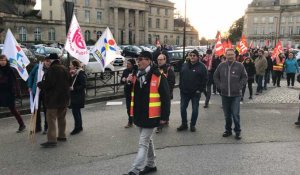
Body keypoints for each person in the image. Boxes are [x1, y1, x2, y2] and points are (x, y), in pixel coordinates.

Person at [124, 51, 170, 175]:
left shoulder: (158, 76)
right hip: (139, 114)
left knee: (143, 142)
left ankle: (135, 169)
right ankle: (151, 164)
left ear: (149, 61)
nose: (140, 61)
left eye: (143, 59)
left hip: (151, 116)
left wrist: (164, 117)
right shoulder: (136, 75)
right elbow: (129, 94)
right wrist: (128, 82)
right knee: (147, 140)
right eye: (139, 59)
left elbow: (166, 98)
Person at [38, 53, 71, 148]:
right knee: (62, 118)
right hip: (64, 98)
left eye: (49, 60)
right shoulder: (64, 68)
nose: (48, 61)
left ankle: (52, 140)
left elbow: (48, 84)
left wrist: (40, 84)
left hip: (53, 99)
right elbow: (70, 81)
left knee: (51, 119)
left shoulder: (52, 70)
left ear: (52, 60)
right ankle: (62, 136)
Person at [214, 48, 248, 140]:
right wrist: (220, 86)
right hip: (224, 95)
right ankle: (228, 130)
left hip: (236, 95)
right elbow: (215, 76)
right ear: (225, 55)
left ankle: (237, 131)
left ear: (235, 55)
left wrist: (239, 86)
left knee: (235, 114)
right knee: (227, 115)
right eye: (228, 54)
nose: (230, 56)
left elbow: (244, 77)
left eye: (231, 54)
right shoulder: (221, 65)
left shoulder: (240, 66)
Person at [177, 49, 207, 132]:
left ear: (197, 57)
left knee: (195, 110)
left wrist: (200, 90)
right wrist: (180, 86)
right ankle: (184, 124)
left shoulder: (202, 67)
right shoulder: (184, 65)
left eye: (194, 56)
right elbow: (181, 76)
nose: (192, 57)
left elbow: (205, 80)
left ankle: (192, 125)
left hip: (195, 93)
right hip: (184, 92)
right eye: (191, 55)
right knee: (183, 108)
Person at [0, 55, 26, 133]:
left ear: (6, 61)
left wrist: (16, 92)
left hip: (9, 92)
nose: (2, 61)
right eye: (1, 60)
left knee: (13, 109)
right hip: (1, 92)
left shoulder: (10, 70)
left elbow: (14, 81)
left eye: (3, 60)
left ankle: (22, 124)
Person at [27, 58, 51, 134]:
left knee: (46, 110)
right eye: (47, 61)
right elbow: (31, 75)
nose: (48, 63)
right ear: (44, 61)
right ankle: (37, 127)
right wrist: (30, 86)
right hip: (36, 90)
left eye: (49, 62)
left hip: (45, 92)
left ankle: (46, 127)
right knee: (35, 110)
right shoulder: (38, 66)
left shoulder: (51, 69)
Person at [156, 53, 175, 133]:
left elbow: (172, 82)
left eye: (161, 60)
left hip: (166, 93)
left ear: (165, 60)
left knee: (165, 108)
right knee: (160, 109)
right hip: (157, 93)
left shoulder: (168, 69)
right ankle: (165, 120)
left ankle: (160, 125)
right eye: (158, 60)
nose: (159, 61)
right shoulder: (156, 69)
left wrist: (168, 92)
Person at [69, 60, 87, 135]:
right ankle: (79, 127)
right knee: (77, 111)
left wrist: (74, 88)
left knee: (75, 112)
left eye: (71, 64)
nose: (70, 66)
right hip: (75, 95)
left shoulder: (80, 73)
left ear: (75, 66)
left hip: (78, 95)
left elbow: (83, 85)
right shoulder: (75, 73)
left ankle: (77, 128)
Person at [121, 59, 137, 128]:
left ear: (133, 65)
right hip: (128, 92)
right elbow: (121, 81)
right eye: (127, 63)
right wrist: (123, 79)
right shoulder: (125, 71)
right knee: (128, 108)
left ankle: (137, 120)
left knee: (136, 108)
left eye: (129, 64)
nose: (127, 65)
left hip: (135, 92)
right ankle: (130, 122)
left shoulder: (136, 71)